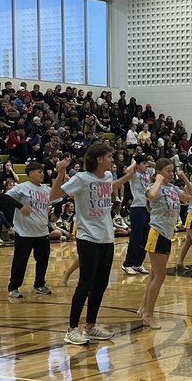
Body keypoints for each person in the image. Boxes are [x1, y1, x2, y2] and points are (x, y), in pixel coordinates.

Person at [51, 144, 136, 345]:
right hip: (88, 238)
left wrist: (128, 176)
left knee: (101, 284)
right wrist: (61, 172)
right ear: (99, 159)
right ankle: (71, 330)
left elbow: (110, 187)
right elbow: (54, 196)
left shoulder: (106, 177)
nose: (112, 160)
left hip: (107, 237)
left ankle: (90, 326)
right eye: (109, 156)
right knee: (85, 284)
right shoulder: (81, 179)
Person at [139, 158, 192, 328]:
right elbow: (151, 196)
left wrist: (185, 179)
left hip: (166, 234)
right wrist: (157, 180)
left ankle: (143, 308)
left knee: (153, 275)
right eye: (168, 171)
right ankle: (148, 314)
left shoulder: (172, 189)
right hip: (156, 233)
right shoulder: (153, 187)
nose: (171, 174)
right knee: (160, 276)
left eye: (172, 171)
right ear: (159, 172)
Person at [1, 162, 54, 298]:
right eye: (39, 171)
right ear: (30, 173)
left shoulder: (46, 189)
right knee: (20, 261)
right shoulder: (22, 187)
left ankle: (39, 284)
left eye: (42, 171)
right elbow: (5, 198)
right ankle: (13, 287)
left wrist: (57, 213)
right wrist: (20, 206)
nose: (42, 174)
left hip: (42, 231)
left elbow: (59, 200)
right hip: (24, 232)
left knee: (43, 260)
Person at [121, 154, 154, 276]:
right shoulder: (133, 174)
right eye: (144, 163)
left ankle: (138, 263)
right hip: (137, 208)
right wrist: (135, 161)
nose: (146, 165)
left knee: (145, 238)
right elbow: (128, 170)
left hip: (148, 208)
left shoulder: (147, 174)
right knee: (136, 237)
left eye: (147, 163)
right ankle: (127, 264)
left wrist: (148, 162)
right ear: (138, 164)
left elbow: (159, 167)